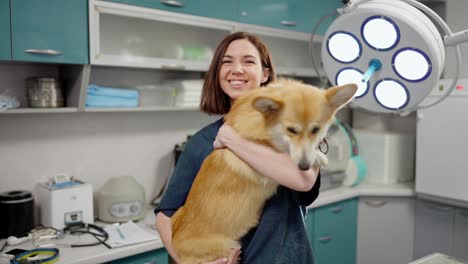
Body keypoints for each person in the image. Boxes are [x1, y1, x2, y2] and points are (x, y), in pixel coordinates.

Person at [154, 31, 322, 264]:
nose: (237, 69)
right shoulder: (202, 142)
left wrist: (232, 140)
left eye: (248, 61)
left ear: (265, 74)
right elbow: (165, 214)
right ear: (218, 73)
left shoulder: (295, 127)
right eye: (227, 62)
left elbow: (303, 180)